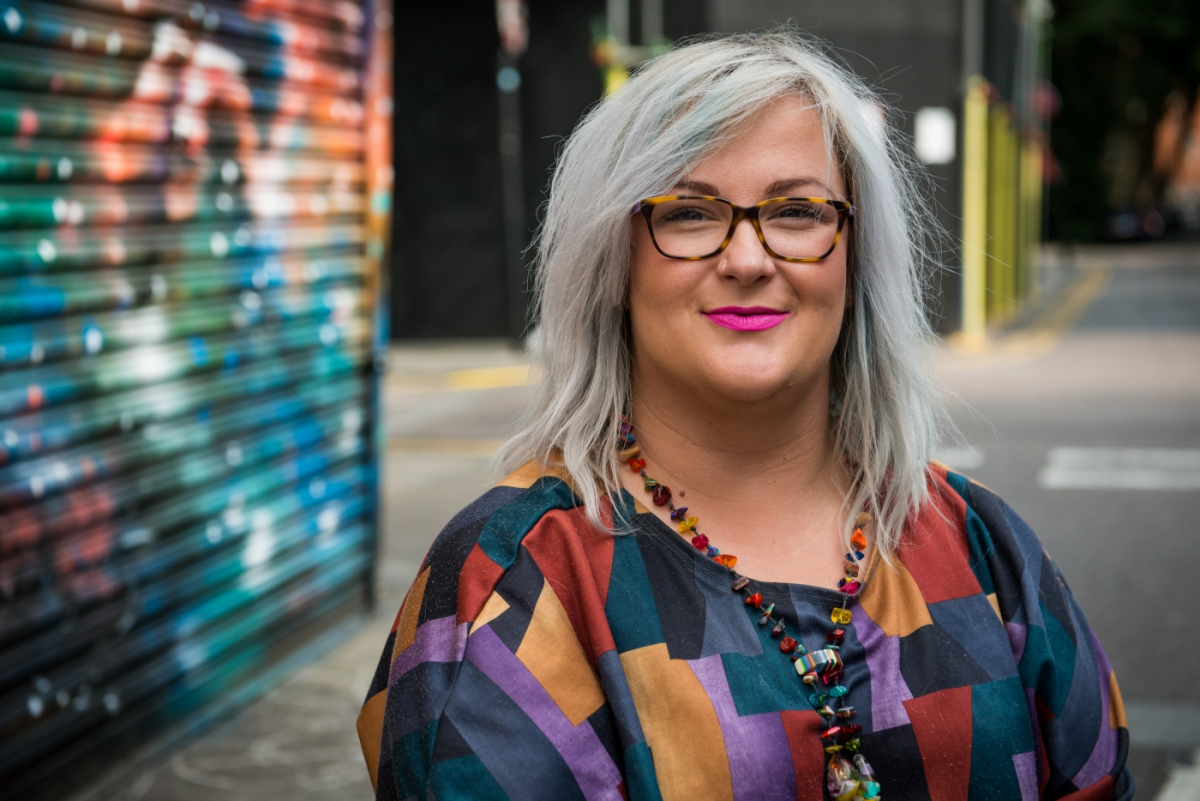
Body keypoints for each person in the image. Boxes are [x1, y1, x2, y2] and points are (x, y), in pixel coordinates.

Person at [357, 31, 1132, 800]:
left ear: (856, 254)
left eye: (796, 211)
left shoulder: (980, 546)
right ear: (612, 261)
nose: (749, 258)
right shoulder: (514, 581)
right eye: (690, 213)